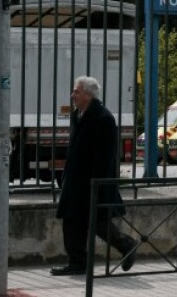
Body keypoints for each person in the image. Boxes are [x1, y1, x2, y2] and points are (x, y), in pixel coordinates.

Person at [51, 76, 138, 276]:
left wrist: (97, 184)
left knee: (98, 222)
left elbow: (105, 158)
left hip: (93, 182)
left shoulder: (103, 118)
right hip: (75, 181)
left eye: (77, 91)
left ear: (88, 95)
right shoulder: (77, 115)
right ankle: (77, 262)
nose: (73, 95)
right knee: (72, 222)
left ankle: (127, 245)